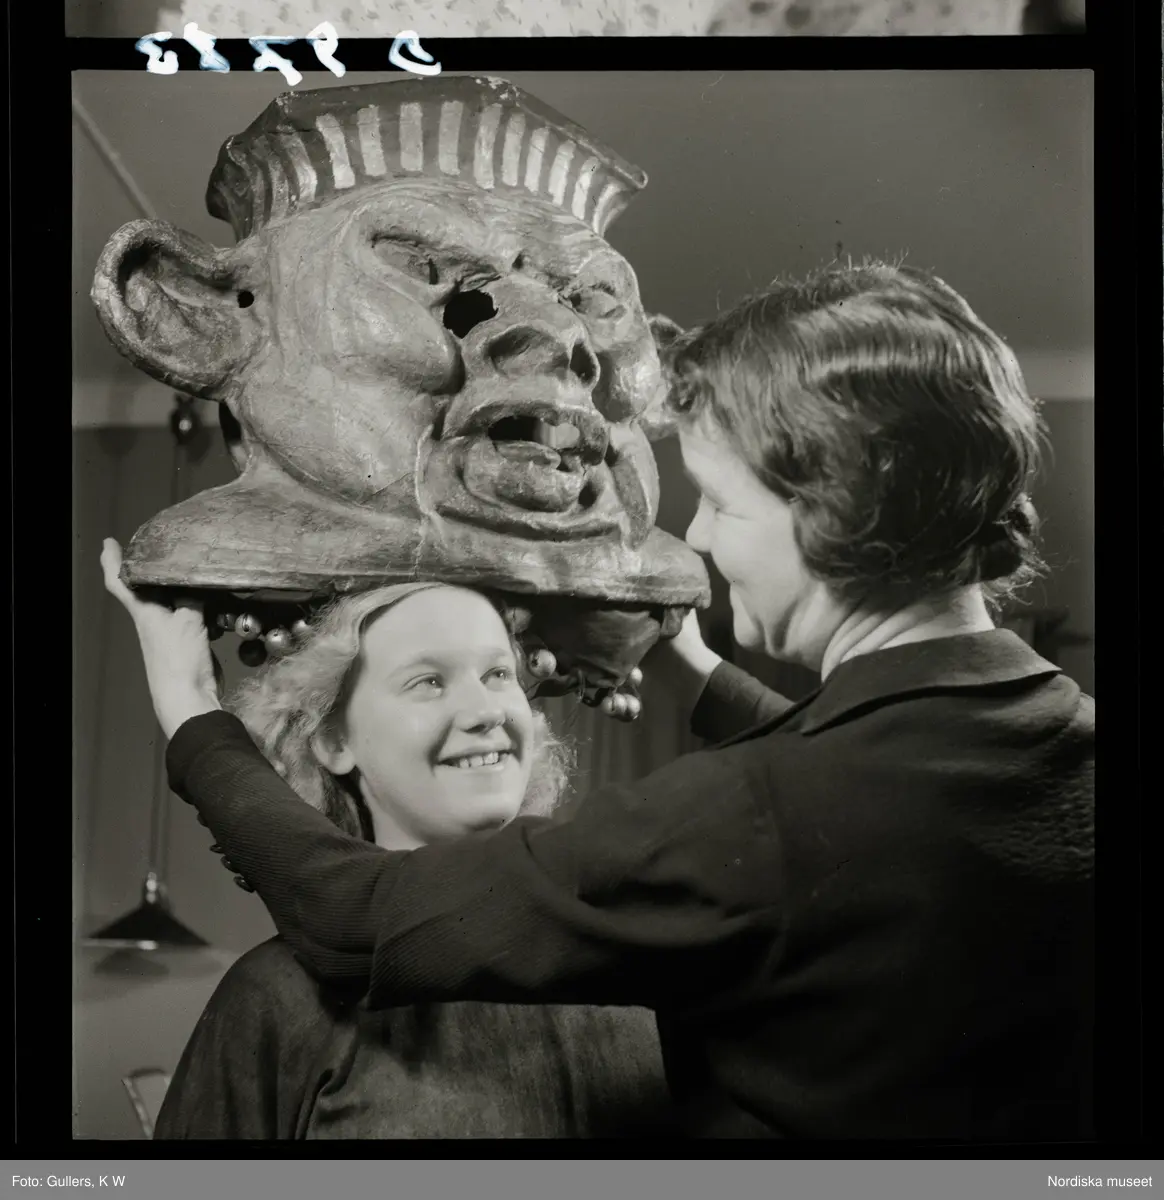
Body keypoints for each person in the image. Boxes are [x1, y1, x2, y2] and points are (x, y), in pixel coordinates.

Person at [106, 261, 1095, 1140]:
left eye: (721, 503)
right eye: (427, 679)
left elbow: (356, 919)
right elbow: (879, 804)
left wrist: (195, 715)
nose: (696, 540)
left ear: (831, 515)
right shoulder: (1065, 749)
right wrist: (694, 667)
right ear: (332, 738)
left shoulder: (766, 825)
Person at [142, 580, 678, 1138]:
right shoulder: (274, 999)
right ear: (333, 739)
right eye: (428, 682)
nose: (485, 711)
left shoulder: (629, 959)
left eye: (498, 674)